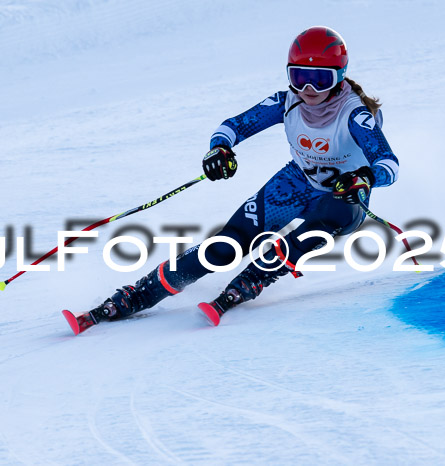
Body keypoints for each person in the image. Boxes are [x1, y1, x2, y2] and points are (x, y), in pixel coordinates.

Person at [79, 25, 399, 329]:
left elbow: (389, 164)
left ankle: (251, 280)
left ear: (340, 77)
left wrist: (365, 177)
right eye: (299, 77)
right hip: (295, 183)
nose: (308, 89)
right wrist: (220, 150)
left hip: (344, 200)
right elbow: (232, 126)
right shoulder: (285, 102)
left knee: (322, 218)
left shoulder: (355, 114)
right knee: (225, 245)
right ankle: (138, 294)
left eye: (319, 79)